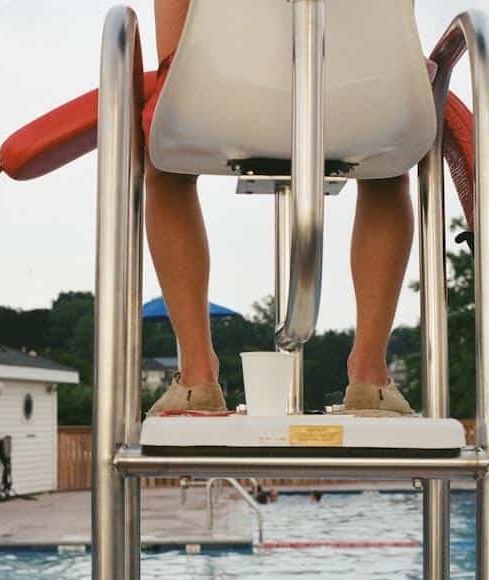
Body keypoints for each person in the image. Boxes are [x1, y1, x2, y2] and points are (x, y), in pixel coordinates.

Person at [146, 0, 414, 418]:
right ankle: (370, 375)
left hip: (223, 100)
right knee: (387, 163)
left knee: (165, 166)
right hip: (357, 102)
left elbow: (173, 59)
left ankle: (197, 376)